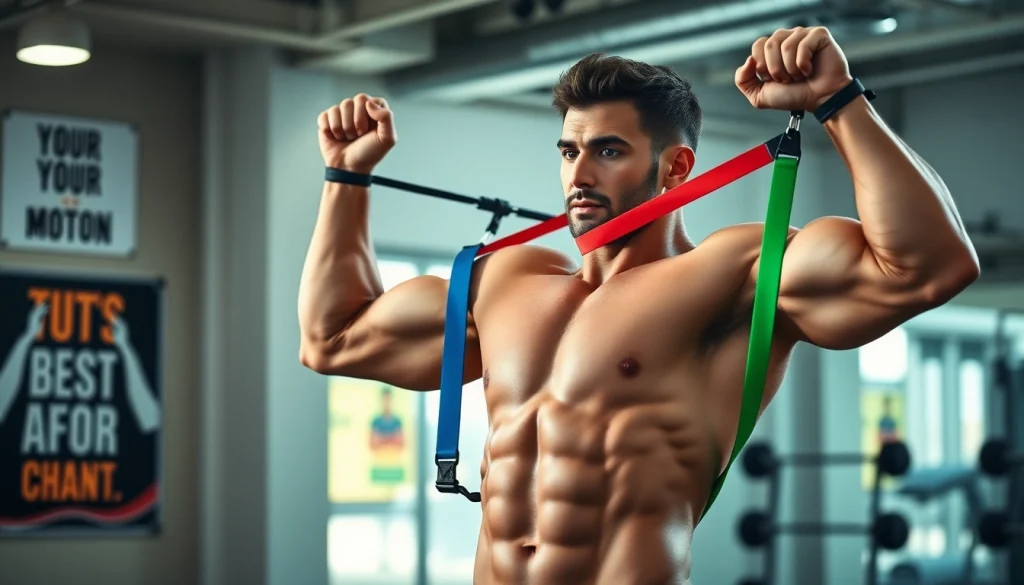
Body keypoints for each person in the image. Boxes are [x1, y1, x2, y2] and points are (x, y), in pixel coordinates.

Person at [298, 26, 979, 585]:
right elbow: (332, 338)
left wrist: (839, 101)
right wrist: (345, 177)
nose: (578, 174)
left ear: (675, 167)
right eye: (569, 151)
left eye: (608, 151)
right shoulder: (505, 282)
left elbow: (928, 267)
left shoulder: (733, 275)